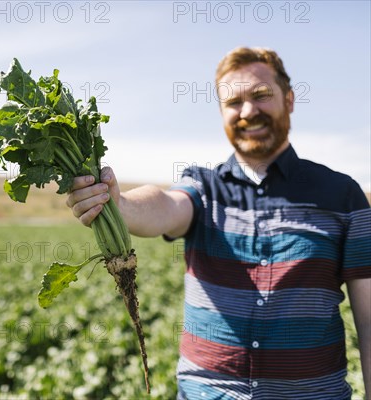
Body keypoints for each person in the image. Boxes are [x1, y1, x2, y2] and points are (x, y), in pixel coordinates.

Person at [66, 47, 370, 399]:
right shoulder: (203, 187)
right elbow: (166, 205)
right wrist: (118, 204)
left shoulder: (343, 196)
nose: (247, 111)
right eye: (233, 102)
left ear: (289, 100)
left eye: (260, 96)